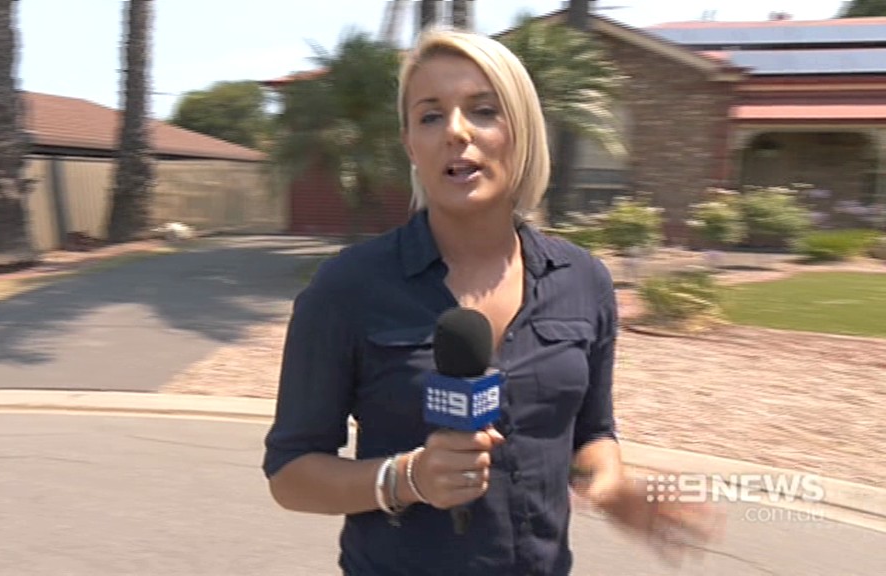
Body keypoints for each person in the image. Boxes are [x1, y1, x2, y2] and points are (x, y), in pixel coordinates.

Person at [262, 26, 721, 576]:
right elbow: (290, 474)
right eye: (431, 116)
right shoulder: (347, 287)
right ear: (410, 144)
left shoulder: (584, 281)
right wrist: (407, 478)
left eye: (483, 111)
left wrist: (612, 487)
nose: (456, 131)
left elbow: (591, 434)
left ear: (522, 131)